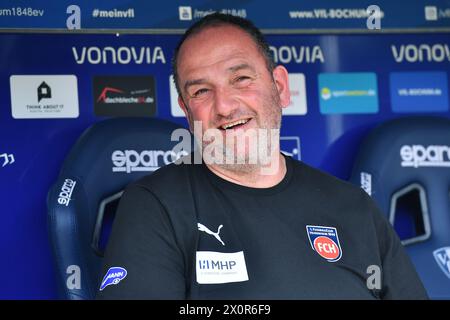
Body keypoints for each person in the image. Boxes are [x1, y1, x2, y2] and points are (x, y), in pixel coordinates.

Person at [96, 13, 428, 299]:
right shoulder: (156, 205)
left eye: (240, 79)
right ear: (186, 111)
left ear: (280, 87)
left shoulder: (354, 206)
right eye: (201, 91)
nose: (224, 105)